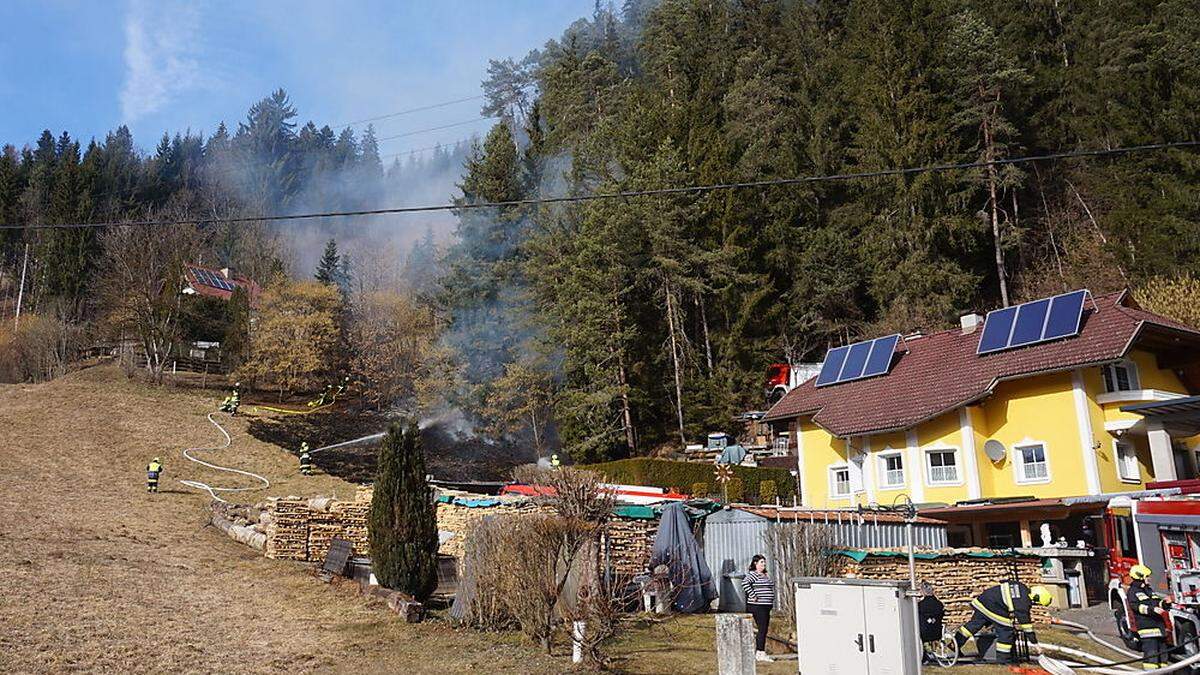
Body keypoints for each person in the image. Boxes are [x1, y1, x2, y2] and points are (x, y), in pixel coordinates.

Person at [954, 581, 1052, 663]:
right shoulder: (1023, 603)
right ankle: (1003, 659)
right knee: (1006, 630)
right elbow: (1027, 627)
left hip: (983, 601)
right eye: (1035, 603)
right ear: (1036, 598)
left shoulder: (1020, 586)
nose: (1033, 605)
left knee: (973, 625)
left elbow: (1005, 584)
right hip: (994, 606)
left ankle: (955, 644)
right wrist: (1036, 645)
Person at [1127, 564, 1171, 670]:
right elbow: (1137, 606)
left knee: (1163, 655)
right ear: (1140, 577)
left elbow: (1155, 602)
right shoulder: (1133, 591)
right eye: (1147, 576)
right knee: (1152, 656)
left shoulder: (1148, 590)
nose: (1149, 578)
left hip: (1159, 627)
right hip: (1147, 629)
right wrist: (1153, 610)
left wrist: (1165, 603)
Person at [742, 554, 776, 663]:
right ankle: (760, 652)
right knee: (762, 629)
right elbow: (745, 583)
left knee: (764, 629)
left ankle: (760, 651)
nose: (764, 564)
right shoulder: (754, 574)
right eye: (761, 562)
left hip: (766, 605)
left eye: (764, 562)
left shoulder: (764, 575)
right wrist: (753, 595)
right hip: (758, 606)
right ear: (755, 564)